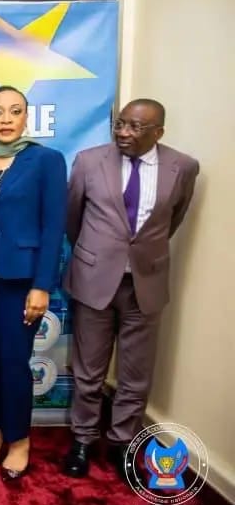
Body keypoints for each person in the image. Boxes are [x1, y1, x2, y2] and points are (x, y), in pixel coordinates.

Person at [62, 98, 199, 479]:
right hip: (94, 281)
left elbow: (173, 219)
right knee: (88, 370)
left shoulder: (183, 167)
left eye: (135, 127)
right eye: (120, 123)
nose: (123, 132)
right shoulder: (89, 161)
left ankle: (123, 443)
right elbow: (72, 218)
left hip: (145, 284)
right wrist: (97, 255)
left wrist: (139, 255)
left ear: (159, 132)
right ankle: (83, 439)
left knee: (136, 373)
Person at [0, 86, 67, 482]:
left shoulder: (47, 161)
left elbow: (53, 227)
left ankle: (19, 440)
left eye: (15, 111)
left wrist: (42, 285)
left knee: (13, 360)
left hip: (22, 281)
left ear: (26, 117)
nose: (6, 119)